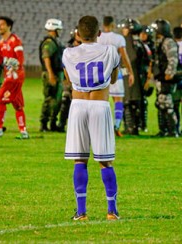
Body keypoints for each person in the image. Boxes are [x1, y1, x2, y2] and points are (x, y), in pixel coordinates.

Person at [62, 15, 120, 221]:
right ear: (99, 33)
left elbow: (68, 80)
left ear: (77, 33)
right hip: (100, 105)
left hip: (78, 106)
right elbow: (113, 79)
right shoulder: (110, 51)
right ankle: (111, 211)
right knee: (105, 161)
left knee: (80, 160)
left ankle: (81, 212)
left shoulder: (68, 53)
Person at [97, 16, 134, 137]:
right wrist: (130, 72)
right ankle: (116, 126)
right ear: (113, 25)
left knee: (102, 101)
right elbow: (124, 56)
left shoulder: (98, 38)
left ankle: (102, 128)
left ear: (103, 25)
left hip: (101, 73)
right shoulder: (118, 38)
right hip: (115, 72)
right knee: (118, 100)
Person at [151, 19, 179, 137]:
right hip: (160, 77)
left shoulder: (168, 42)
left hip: (166, 77)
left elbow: (173, 59)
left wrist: (169, 73)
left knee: (167, 104)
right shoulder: (160, 41)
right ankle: (163, 130)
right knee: (160, 103)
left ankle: (173, 130)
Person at [117, 18, 144, 135]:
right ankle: (136, 126)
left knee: (128, 100)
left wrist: (128, 69)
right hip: (138, 74)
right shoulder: (139, 41)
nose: (123, 30)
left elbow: (131, 58)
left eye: (125, 28)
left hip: (130, 75)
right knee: (135, 101)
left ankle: (130, 127)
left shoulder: (128, 41)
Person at [39, 19, 64, 132]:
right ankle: (44, 123)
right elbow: (46, 58)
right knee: (49, 99)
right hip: (52, 73)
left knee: (57, 100)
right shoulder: (49, 43)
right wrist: (51, 74)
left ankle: (52, 122)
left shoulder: (54, 41)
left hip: (56, 73)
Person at [56, 27, 81, 133]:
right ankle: (61, 123)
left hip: (81, 80)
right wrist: (67, 79)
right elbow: (64, 65)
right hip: (70, 78)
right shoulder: (69, 49)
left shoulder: (86, 48)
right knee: (66, 100)